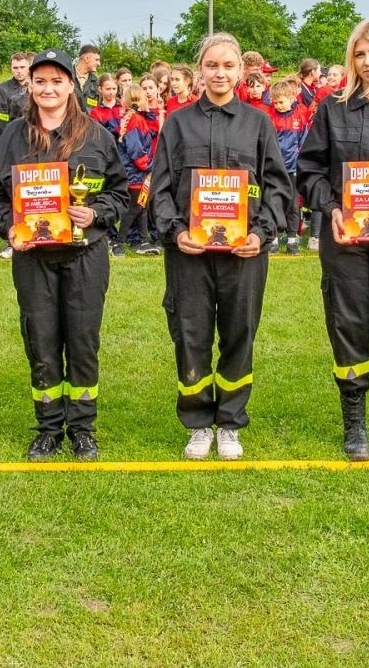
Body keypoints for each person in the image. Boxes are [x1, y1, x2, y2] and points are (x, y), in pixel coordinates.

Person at [0, 49, 128, 461]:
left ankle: (82, 428)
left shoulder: (98, 136)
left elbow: (120, 193)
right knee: (41, 340)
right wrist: (7, 225)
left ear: (71, 85)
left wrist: (96, 211)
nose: (49, 88)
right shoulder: (12, 138)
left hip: (85, 254)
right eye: (40, 81)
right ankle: (48, 427)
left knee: (82, 340)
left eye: (57, 81)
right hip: (34, 257)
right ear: (31, 85)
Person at [154, 32, 294, 461]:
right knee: (191, 334)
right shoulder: (177, 123)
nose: (220, 73)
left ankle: (231, 421)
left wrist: (263, 232)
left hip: (243, 255)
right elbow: (160, 187)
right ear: (200, 69)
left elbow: (277, 185)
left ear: (240, 71)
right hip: (190, 256)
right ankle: (198, 422)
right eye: (212, 65)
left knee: (239, 334)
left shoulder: (258, 122)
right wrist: (175, 231)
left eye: (228, 66)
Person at [266, 75, 310, 255]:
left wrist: (301, 163)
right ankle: (274, 239)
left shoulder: (300, 116)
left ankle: (292, 240)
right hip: (274, 169)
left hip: (293, 169)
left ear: (292, 98)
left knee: (293, 205)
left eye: (281, 102)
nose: (277, 105)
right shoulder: (269, 117)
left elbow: (305, 142)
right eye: (275, 103)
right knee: (273, 202)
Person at [117, 85, 161, 256]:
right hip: (136, 174)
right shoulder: (135, 120)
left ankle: (143, 241)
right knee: (134, 208)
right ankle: (118, 243)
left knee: (142, 207)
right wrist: (148, 166)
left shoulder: (136, 118)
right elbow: (135, 150)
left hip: (137, 173)